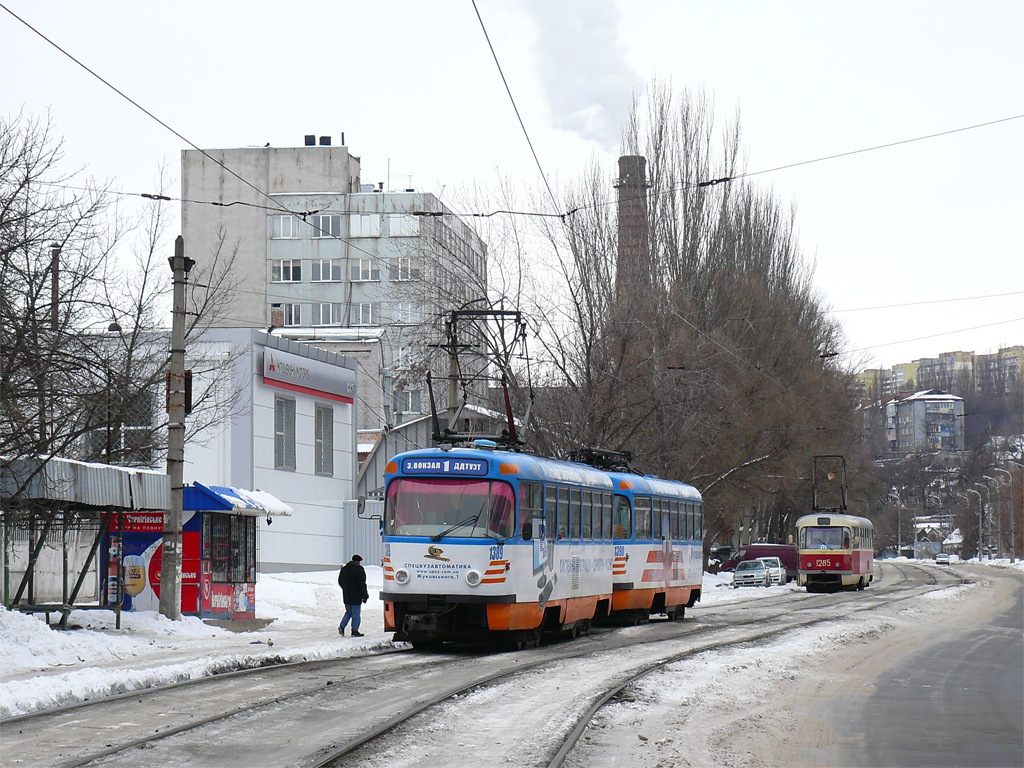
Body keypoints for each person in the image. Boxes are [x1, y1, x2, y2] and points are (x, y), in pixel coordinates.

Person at [337, 554, 369, 637]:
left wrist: (345, 588)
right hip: (356, 595)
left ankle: (342, 626)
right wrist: (364, 595)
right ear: (358, 562)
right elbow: (362, 584)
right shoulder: (359, 570)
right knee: (356, 614)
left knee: (348, 612)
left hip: (346, 595)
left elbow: (340, 581)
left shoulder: (344, 569)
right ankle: (354, 630)